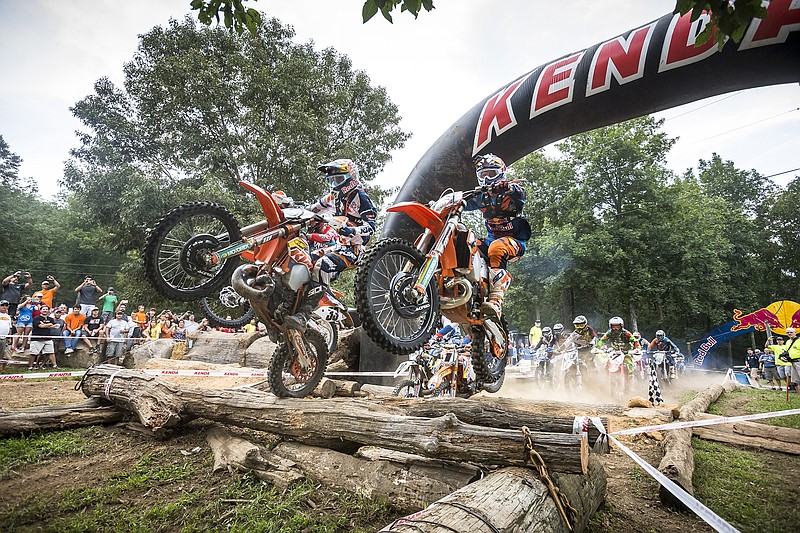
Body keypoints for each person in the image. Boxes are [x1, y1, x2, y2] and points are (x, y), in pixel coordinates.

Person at [285, 159, 377, 331]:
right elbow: (311, 210)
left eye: (338, 180)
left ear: (351, 177)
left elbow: (371, 227)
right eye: (331, 180)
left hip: (355, 248)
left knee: (322, 265)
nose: (334, 184)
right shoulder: (332, 197)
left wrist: (353, 231)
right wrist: (293, 214)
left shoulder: (360, 196)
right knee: (303, 259)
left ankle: (304, 314)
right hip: (339, 245)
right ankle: (293, 302)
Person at [467, 154, 530, 334]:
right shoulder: (480, 197)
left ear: (501, 173)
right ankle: (474, 288)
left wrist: (507, 187)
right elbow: (462, 202)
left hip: (515, 242)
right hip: (491, 240)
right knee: (468, 244)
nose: (487, 178)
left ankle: (496, 299)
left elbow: (520, 193)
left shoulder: (512, 191)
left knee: (497, 247)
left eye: (491, 173)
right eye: (483, 174)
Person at [28, 305, 58, 370]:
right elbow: (40, 326)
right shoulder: (36, 318)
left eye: (46, 309)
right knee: (33, 353)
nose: (45, 310)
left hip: (48, 338)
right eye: (43, 309)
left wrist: (45, 325)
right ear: (40, 310)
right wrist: (49, 325)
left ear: (48, 311)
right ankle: (30, 367)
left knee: (50, 352)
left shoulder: (51, 319)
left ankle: (55, 366)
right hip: (37, 338)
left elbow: (55, 327)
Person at [782, 327, 800, 392]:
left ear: (795, 333)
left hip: (798, 361)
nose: (789, 333)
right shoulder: (788, 342)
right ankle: (798, 394)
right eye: (788, 332)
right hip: (792, 362)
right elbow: (786, 352)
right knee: (796, 380)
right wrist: (784, 357)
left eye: (791, 332)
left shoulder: (799, 341)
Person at [0, 299, 12, 372]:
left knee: (2, 353)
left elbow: (10, 327)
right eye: (2, 305)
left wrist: (9, 337)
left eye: (6, 305)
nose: (4, 307)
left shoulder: (8, 316)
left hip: (4, 338)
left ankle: (2, 369)